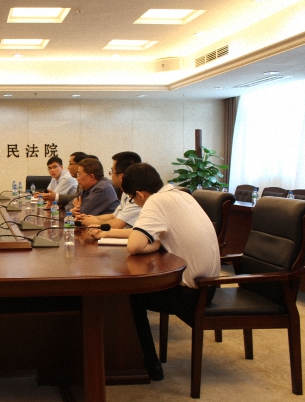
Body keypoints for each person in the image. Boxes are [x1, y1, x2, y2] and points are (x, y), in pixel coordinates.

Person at [122, 163, 220, 382]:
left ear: (140, 194)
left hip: (192, 296)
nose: (134, 203)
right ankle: (146, 364)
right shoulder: (181, 194)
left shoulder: (155, 201)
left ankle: (149, 366)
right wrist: (157, 243)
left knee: (126, 296)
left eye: (131, 198)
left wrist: (156, 244)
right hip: (209, 286)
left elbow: (134, 246)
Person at [81, 151, 142, 239]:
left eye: (112, 172)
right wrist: (92, 218)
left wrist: (95, 222)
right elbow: (113, 215)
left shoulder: (138, 195)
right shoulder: (125, 192)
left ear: (122, 176)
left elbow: (117, 225)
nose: (111, 176)